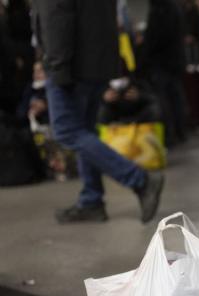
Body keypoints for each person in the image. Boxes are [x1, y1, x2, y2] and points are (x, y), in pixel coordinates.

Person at [31, 0, 164, 224]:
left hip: (71, 66)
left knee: (67, 131)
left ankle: (140, 180)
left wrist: (57, 68)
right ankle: (91, 201)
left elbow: (57, 19)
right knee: (84, 131)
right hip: (97, 64)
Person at [140, 0, 187, 146]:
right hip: (175, 61)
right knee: (176, 98)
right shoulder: (174, 7)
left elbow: (156, 37)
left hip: (161, 62)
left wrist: (145, 49)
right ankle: (181, 131)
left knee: (163, 100)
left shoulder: (158, 10)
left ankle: (169, 134)